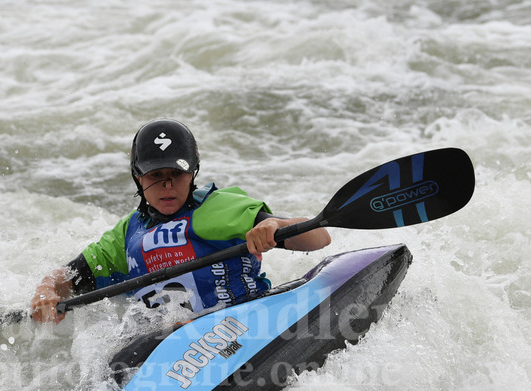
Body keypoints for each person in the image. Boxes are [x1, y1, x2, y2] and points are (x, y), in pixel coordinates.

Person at [30, 119, 330, 323]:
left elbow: (318, 237)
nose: (167, 186)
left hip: (245, 321)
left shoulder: (221, 208)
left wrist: (274, 227)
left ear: (193, 173)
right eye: (155, 176)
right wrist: (47, 289)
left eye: (176, 175)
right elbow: (69, 275)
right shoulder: (127, 234)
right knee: (118, 362)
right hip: (176, 347)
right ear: (138, 178)